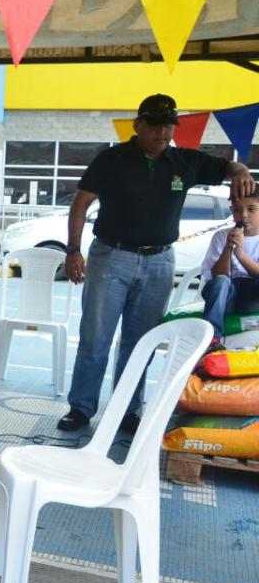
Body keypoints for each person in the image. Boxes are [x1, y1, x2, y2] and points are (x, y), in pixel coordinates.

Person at [60, 94, 255, 433]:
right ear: (138, 125)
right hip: (110, 258)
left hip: (159, 262)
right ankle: (81, 408)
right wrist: (74, 250)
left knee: (141, 342)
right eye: (156, 126)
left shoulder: (184, 162)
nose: (163, 133)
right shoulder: (112, 159)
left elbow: (228, 167)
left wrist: (240, 169)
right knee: (95, 338)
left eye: (169, 126)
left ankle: (127, 410)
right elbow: (81, 203)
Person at [199, 193, 259, 354]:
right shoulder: (221, 236)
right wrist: (228, 247)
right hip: (227, 295)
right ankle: (212, 338)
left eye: (251, 209)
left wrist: (241, 254)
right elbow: (217, 276)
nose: (244, 215)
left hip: (252, 297)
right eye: (237, 210)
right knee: (220, 281)